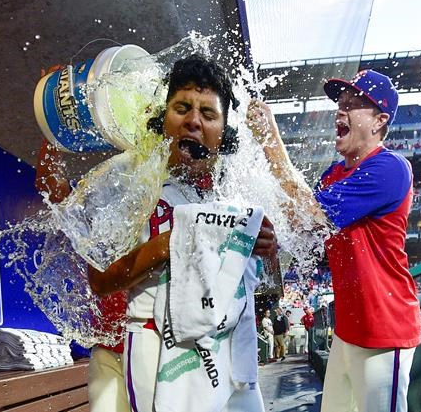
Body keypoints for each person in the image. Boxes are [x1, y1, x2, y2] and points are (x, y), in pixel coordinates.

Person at [87, 54, 278, 412]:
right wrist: (165, 246)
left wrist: (266, 248)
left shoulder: (234, 202)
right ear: (163, 122)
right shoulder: (132, 186)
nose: (193, 121)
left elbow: (261, 284)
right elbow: (99, 280)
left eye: (208, 114)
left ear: (223, 134)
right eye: (182, 108)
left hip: (220, 355)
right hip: (148, 348)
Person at [246, 69, 421, 412]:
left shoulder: (390, 168)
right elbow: (300, 221)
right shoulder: (334, 173)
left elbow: (310, 213)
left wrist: (270, 141)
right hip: (349, 328)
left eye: (354, 104)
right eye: (340, 104)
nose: (341, 111)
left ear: (379, 121)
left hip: (385, 331)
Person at [35, 139, 130, 412]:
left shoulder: (166, 212)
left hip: (155, 348)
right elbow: (49, 183)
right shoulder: (94, 225)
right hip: (108, 351)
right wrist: (55, 130)